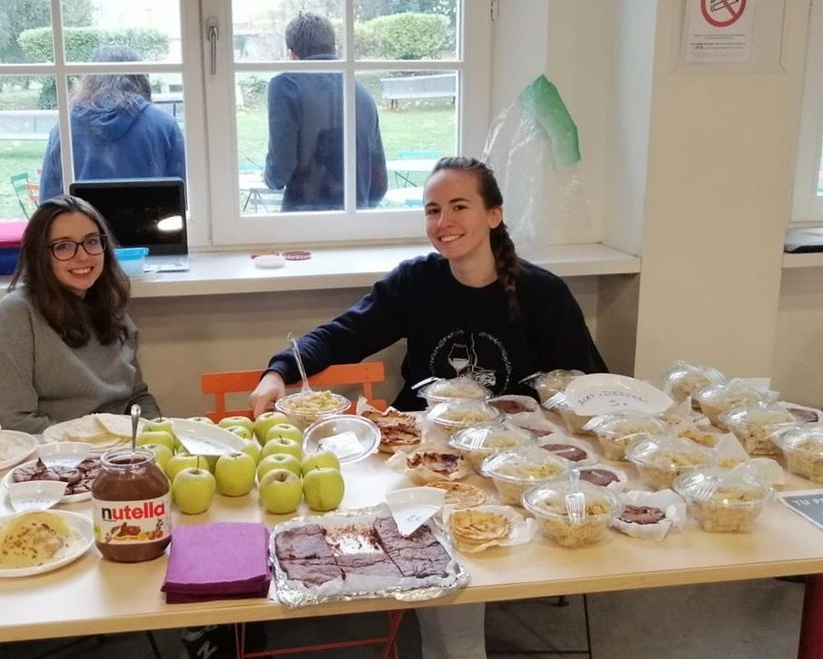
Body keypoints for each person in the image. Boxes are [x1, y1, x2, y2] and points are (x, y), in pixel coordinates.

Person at [250, 156, 607, 659]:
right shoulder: (416, 282)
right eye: (432, 210)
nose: (443, 222)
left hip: (516, 455)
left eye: (459, 206)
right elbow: (345, 333)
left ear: (494, 215)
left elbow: (579, 385)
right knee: (440, 555)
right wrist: (279, 369)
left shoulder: (543, 293)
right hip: (422, 450)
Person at [0, 195, 160, 433]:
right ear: (40, 256)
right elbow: (14, 423)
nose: (83, 255)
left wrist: (155, 433)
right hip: (55, 457)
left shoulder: (111, 306)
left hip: (119, 452)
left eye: (92, 241)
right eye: (63, 246)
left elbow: (137, 397)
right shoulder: (16, 313)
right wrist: (97, 446)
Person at [264, 12, 387, 211]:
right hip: (355, 223)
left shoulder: (285, 85)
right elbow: (379, 186)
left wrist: (267, 177)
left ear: (292, 55)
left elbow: (280, 171)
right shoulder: (361, 91)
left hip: (303, 222)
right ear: (335, 49)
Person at [38, 45, 186, 200]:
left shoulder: (64, 129)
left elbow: (48, 203)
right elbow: (179, 201)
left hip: (82, 223)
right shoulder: (165, 126)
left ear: (90, 79)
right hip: (147, 223)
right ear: (141, 78)